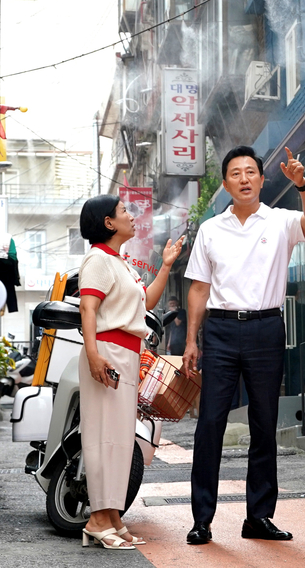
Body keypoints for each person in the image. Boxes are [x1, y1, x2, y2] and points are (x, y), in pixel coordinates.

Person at [183, 145, 305, 545]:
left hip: (266, 329)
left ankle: (258, 517)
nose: (244, 179)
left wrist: (304, 185)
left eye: (251, 172)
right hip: (222, 332)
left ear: (262, 180)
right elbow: (198, 288)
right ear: (226, 183)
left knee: (264, 423)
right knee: (210, 423)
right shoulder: (211, 229)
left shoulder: (281, 221)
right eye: (235, 173)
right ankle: (202, 519)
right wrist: (192, 339)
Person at [78, 195, 183, 550]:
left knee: (121, 438)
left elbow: (147, 302)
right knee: (103, 436)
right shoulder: (97, 259)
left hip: (125, 353)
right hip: (106, 353)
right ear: (108, 223)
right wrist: (93, 356)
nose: (131, 215)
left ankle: (112, 517)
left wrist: (166, 265)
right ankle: (96, 518)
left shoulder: (120, 263)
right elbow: (88, 309)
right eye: (123, 211)